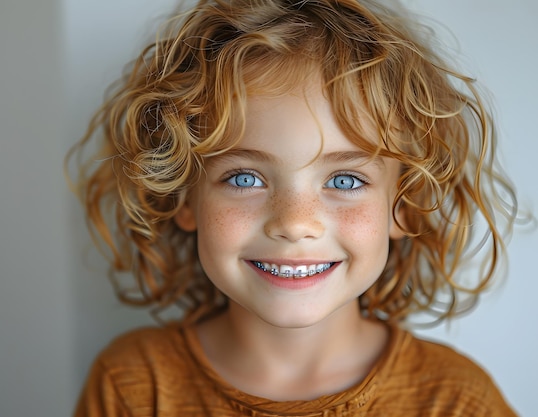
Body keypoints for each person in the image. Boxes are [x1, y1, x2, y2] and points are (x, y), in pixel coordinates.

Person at [67, 0, 520, 415]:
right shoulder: (133, 385)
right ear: (184, 197)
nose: (294, 223)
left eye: (345, 180)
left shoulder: (457, 401)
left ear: (404, 206)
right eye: (245, 178)